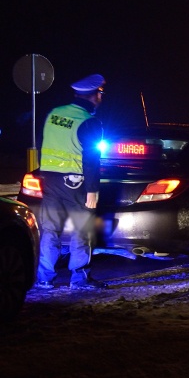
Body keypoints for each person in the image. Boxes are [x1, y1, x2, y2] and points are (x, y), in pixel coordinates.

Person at [34, 74, 108, 290]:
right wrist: (92, 190)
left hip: (50, 181)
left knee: (50, 230)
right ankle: (80, 278)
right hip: (75, 183)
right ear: (95, 95)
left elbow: (42, 143)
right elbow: (92, 159)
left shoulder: (54, 114)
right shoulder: (89, 121)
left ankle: (45, 278)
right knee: (81, 230)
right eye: (101, 93)